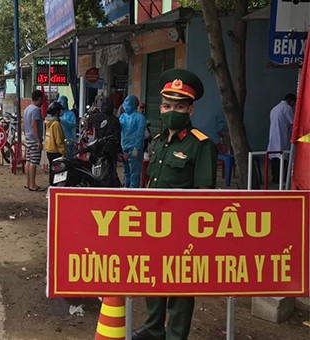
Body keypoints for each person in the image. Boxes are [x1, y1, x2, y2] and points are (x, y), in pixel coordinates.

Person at [134, 69, 217, 340]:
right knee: (153, 277)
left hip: (184, 230)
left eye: (179, 106)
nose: (172, 111)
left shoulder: (201, 145)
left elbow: (205, 193)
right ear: (161, 107)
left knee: (181, 285)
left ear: (190, 110)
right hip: (155, 226)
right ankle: (153, 328)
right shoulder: (158, 143)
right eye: (168, 105)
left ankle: (175, 335)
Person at [87, 97, 122, 187]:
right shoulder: (115, 119)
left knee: (95, 167)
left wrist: (92, 111)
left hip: (98, 147)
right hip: (110, 149)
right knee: (111, 170)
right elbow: (117, 136)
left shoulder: (96, 118)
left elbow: (88, 122)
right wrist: (118, 150)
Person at [266, 93, 296, 184]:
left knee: (275, 157)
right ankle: (281, 178)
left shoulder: (274, 109)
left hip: (273, 137)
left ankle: (275, 177)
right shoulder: (287, 108)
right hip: (282, 137)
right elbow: (293, 123)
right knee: (282, 158)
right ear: (292, 101)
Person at [119, 95, 147, 188]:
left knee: (134, 173)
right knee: (126, 172)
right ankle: (126, 190)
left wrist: (136, 147)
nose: (125, 105)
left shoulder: (140, 117)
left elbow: (140, 134)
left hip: (134, 149)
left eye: (127, 104)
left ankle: (133, 192)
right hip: (125, 148)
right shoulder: (122, 116)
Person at [23, 90, 45, 191]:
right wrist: (38, 141)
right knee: (34, 162)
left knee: (28, 160)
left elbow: (25, 125)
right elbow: (34, 125)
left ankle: (28, 182)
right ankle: (32, 184)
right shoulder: (36, 110)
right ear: (40, 99)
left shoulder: (27, 109)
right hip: (34, 138)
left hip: (28, 138)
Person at [44, 101, 66, 185]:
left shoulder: (48, 122)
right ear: (57, 111)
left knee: (52, 170)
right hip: (56, 151)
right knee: (58, 171)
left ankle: (51, 186)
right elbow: (59, 140)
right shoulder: (56, 124)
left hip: (49, 149)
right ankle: (55, 188)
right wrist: (63, 152)